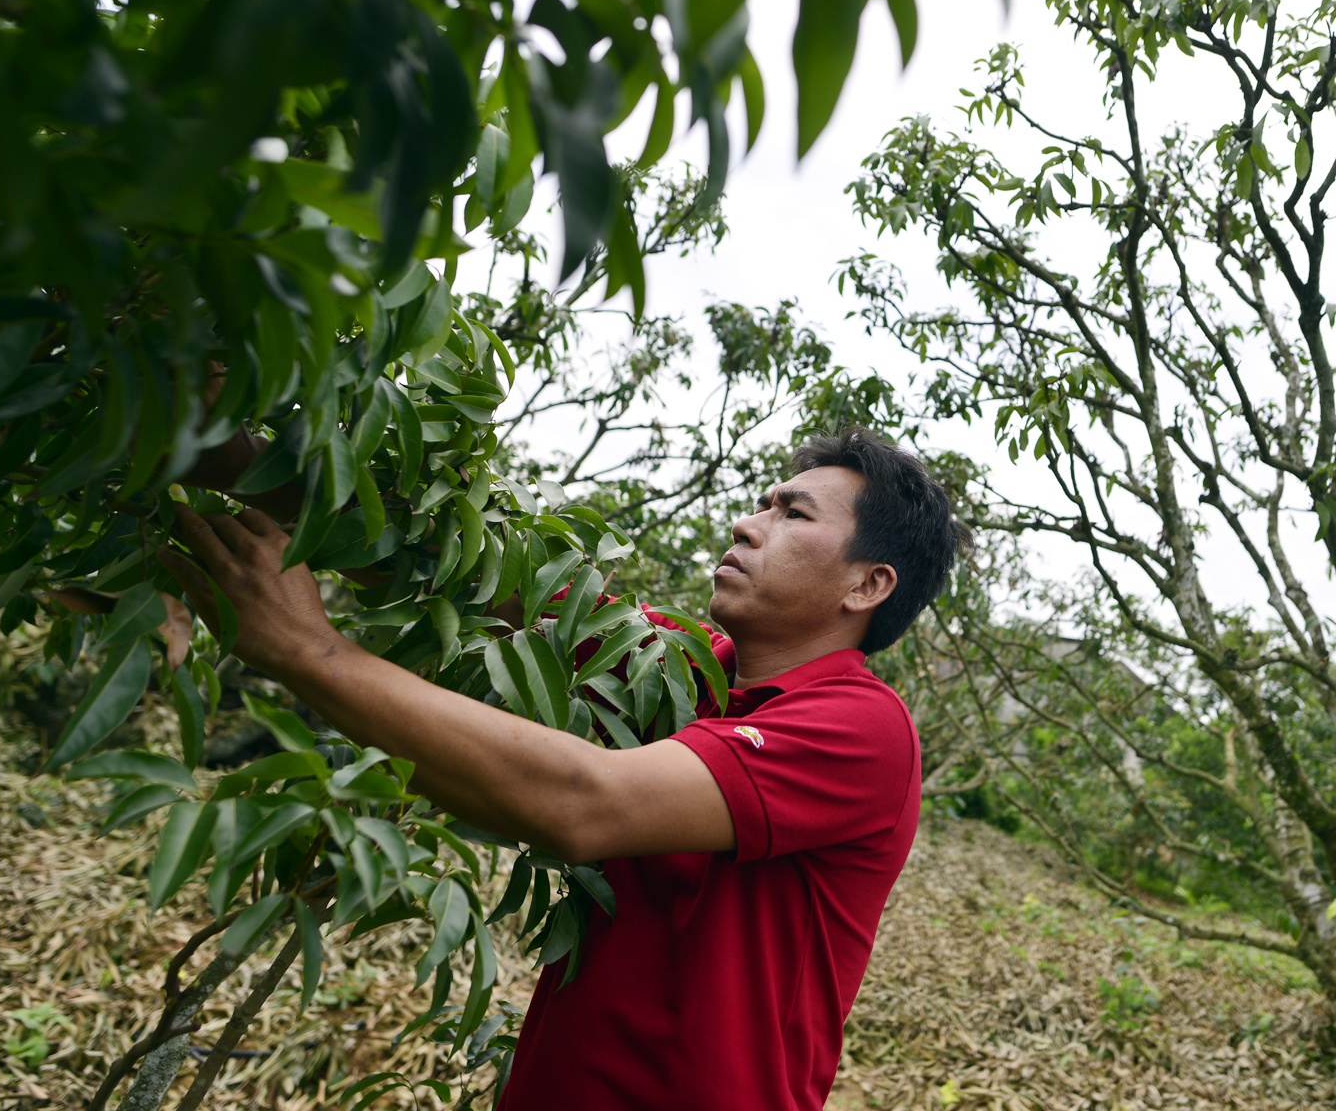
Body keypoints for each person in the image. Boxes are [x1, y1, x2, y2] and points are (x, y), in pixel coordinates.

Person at [160, 428, 970, 1111]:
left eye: (792, 513)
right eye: (763, 501)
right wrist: (224, 454)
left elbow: (584, 802)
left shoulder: (860, 728)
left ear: (869, 583)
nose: (748, 523)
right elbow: (469, 574)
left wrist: (309, 650)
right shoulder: (687, 670)